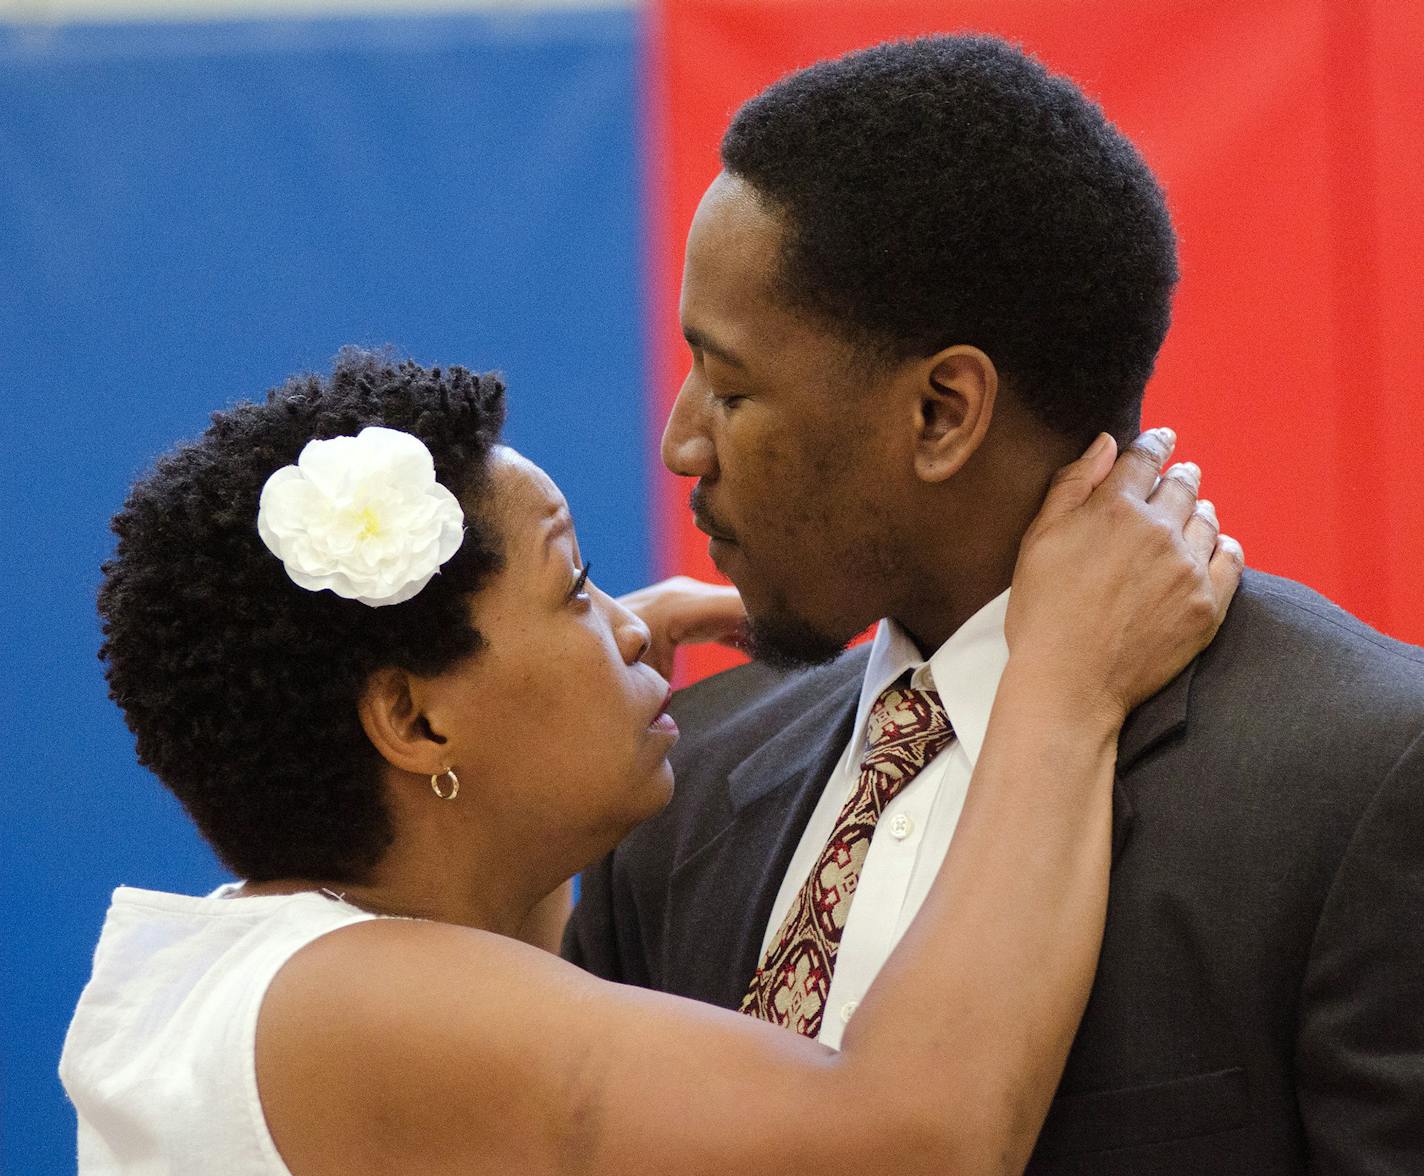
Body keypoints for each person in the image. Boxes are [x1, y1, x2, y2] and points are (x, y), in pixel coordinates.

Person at [565, 33, 1424, 1175]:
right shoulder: (682, 784)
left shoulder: (1363, 779)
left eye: (730, 388)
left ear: (939, 413)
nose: (679, 443)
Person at [62, 349, 1236, 1174]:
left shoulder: (268, 980)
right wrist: (1058, 682)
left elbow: (518, 976)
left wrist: (559, 719)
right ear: (416, 726)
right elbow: (910, 1144)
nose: (629, 621)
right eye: (574, 588)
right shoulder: (354, 1006)